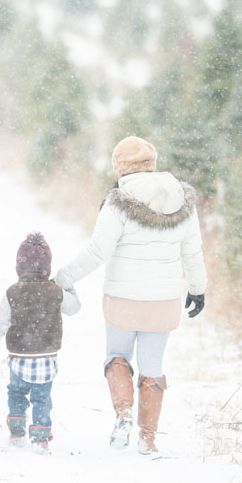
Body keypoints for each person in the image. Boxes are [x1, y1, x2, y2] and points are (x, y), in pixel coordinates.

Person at [54, 136, 207, 457]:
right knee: (153, 366)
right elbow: (192, 251)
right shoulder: (182, 200)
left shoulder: (117, 202)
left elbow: (97, 253)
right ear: (152, 163)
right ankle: (147, 438)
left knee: (117, 357)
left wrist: (63, 278)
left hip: (122, 299)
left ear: (120, 167)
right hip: (164, 302)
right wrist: (197, 288)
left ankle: (123, 414)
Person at [0, 232, 80, 454]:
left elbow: (1, 322)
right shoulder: (55, 291)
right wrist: (68, 286)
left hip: (19, 355)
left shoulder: (13, 292)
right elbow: (74, 308)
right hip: (46, 356)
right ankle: (40, 437)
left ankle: (17, 430)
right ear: (48, 266)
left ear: (19, 266)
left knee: (16, 392)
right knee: (42, 398)